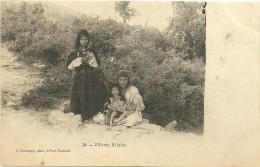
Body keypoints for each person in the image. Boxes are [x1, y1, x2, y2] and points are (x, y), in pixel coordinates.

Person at [66, 29, 99, 122]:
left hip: (90, 77)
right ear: (78, 40)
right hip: (80, 77)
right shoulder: (74, 51)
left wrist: (90, 63)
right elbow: (68, 65)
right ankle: (80, 113)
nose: (83, 41)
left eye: (85, 39)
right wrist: (80, 60)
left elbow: (97, 63)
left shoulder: (92, 51)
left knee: (90, 93)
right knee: (80, 93)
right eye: (81, 39)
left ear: (88, 40)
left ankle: (89, 114)